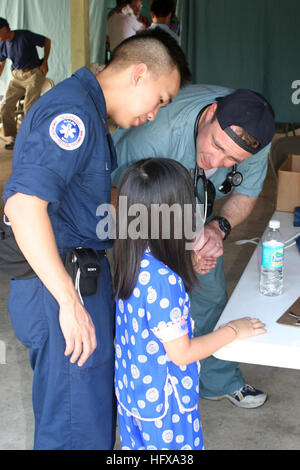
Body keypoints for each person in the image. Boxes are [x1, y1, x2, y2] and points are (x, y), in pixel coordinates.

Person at [2, 28, 191, 450]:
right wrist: (69, 303)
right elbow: (23, 205)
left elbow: (86, 201)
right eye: (160, 99)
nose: (154, 114)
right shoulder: (72, 114)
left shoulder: (90, 111)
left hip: (79, 276)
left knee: (90, 417)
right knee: (75, 428)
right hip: (61, 284)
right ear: (139, 74)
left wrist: (178, 230)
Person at [112, 84, 275, 409]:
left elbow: (245, 195)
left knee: (210, 293)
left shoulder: (255, 140)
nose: (218, 160)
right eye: (215, 145)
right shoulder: (157, 132)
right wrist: (182, 248)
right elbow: (116, 198)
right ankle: (144, 385)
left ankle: (216, 380)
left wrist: (217, 229)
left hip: (194, 206)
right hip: (135, 210)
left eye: (232, 159)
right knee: (142, 300)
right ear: (210, 115)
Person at [113, 158, 266, 450]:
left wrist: (189, 265)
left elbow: (152, 305)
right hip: (165, 408)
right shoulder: (163, 281)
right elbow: (182, 354)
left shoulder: (132, 257)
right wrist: (233, 330)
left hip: (135, 395)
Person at [0, 17, 51, 150]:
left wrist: (44, 62)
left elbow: (47, 41)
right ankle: (14, 138)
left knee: (29, 108)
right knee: (4, 107)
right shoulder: (3, 44)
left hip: (33, 74)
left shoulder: (23, 35)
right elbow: (1, 62)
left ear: (4, 29)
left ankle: (30, 139)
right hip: (17, 77)